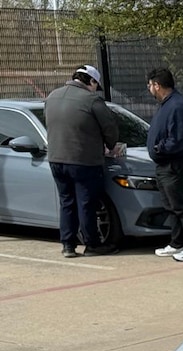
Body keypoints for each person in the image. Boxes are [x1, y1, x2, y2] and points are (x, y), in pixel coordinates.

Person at [44, 64, 120, 257]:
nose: (96, 89)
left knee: (66, 202)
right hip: (84, 160)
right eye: (96, 84)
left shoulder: (52, 96)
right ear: (91, 81)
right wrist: (111, 146)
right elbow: (109, 128)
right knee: (87, 203)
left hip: (56, 159)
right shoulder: (92, 99)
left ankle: (68, 245)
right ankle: (92, 244)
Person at [145, 67, 183, 261]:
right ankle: (177, 242)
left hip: (175, 164)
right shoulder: (166, 104)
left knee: (182, 205)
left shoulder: (177, 106)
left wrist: (159, 148)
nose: (149, 88)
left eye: (150, 85)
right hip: (165, 165)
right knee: (171, 206)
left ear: (157, 85)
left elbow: (179, 139)